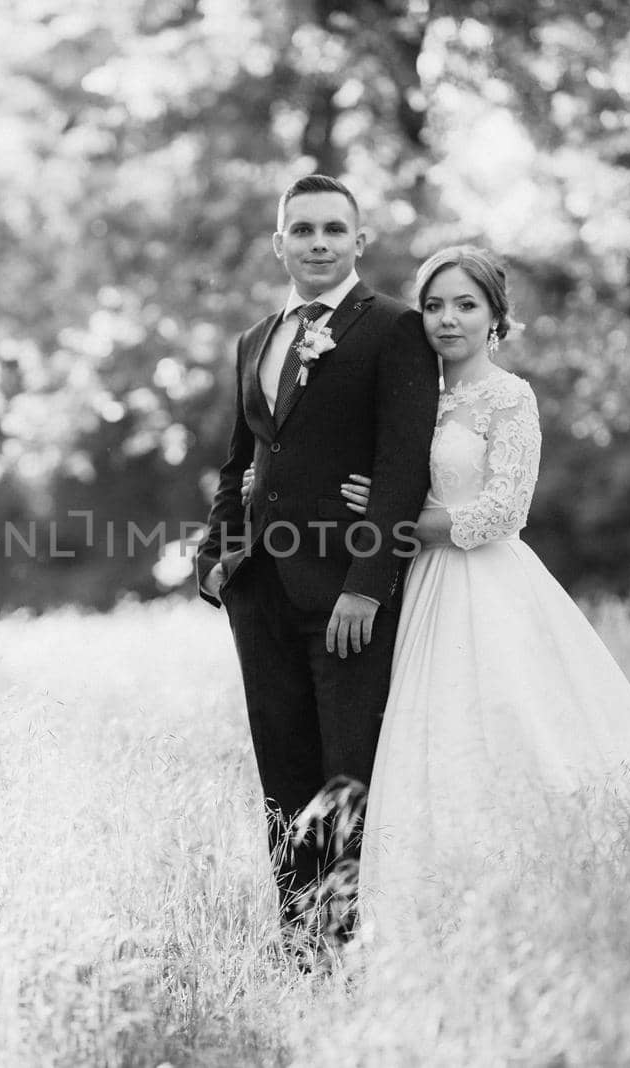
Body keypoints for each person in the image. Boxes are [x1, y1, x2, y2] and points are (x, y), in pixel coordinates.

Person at [330, 245, 630, 946]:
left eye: (465, 304)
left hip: (483, 582)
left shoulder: (509, 396)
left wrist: (392, 523)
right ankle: (430, 907)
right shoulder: (408, 399)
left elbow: (504, 511)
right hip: (413, 586)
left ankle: (542, 899)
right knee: (423, 731)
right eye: (434, 304)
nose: (447, 319)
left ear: (496, 318)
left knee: (507, 722)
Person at [196, 175, 439, 953]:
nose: (318, 242)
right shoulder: (255, 340)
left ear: (359, 242)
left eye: (335, 229)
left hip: (345, 597)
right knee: (283, 775)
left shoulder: (395, 328)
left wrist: (368, 584)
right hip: (261, 593)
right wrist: (214, 560)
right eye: (302, 230)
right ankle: (298, 945)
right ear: (280, 243)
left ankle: (346, 942)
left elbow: (402, 468)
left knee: (348, 776)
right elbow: (239, 465)